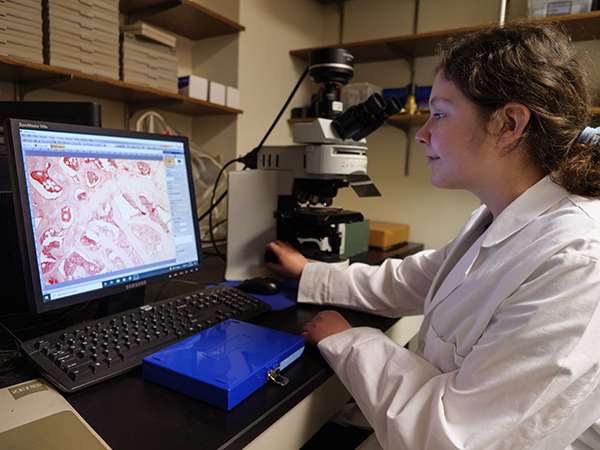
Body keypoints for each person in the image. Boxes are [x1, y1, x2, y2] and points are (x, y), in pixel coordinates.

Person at [267, 23, 600, 450]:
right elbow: (414, 278)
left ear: (510, 123)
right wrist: (311, 273)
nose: (423, 133)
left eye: (439, 114)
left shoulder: (578, 261)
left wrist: (350, 341)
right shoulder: (499, 217)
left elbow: (452, 438)